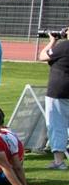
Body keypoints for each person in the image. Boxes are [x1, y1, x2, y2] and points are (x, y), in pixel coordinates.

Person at [39, 25, 69, 170]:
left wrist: (52, 41)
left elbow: (42, 56)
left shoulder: (64, 46)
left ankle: (58, 161)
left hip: (59, 91)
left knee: (57, 125)